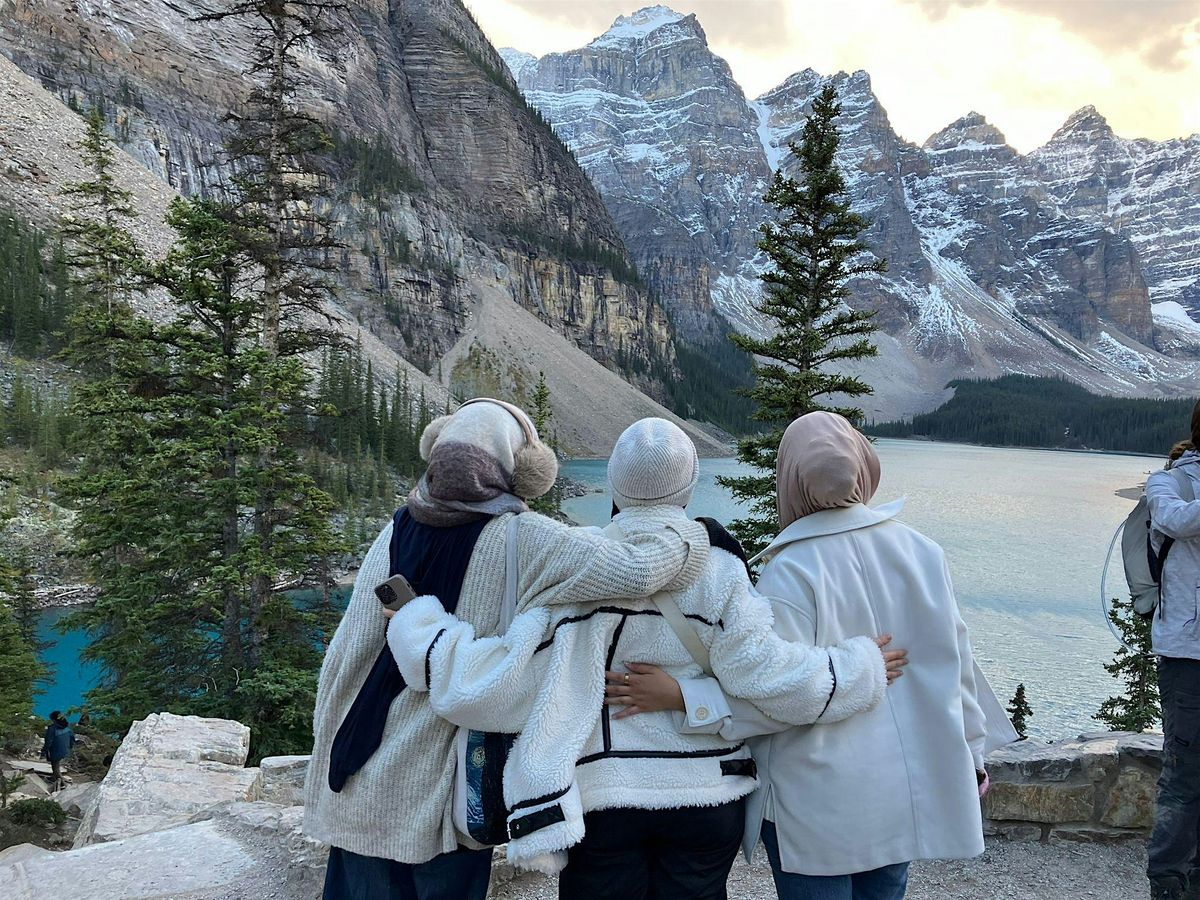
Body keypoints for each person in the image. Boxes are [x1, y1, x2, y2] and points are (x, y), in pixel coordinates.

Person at [388, 417, 906, 899]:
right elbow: (769, 675)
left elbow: (494, 683)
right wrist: (857, 669)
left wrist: (417, 623)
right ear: (688, 485)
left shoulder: (579, 566)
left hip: (604, 798)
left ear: (615, 484)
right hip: (707, 795)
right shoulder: (721, 569)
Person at [302, 399, 714, 900]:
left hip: (355, 770)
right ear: (521, 470)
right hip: (438, 787)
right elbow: (641, 568)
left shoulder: (395, 528)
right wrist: (694, 532)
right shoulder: (523, 537)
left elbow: (347, 655)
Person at [613, 411, 1011, 900]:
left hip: (816, 803)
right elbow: (957, 669)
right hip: (897, 799)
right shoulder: (922, 552)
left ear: (791, 481)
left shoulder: (790, 571)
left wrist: (684, 698)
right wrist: (972, 754)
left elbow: (776, 695)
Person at [1146, 399, 1200, 900]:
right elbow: (1176, 521)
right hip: (1189, 652)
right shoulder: (1170, 483)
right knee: (1184, 773)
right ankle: (1167, 880)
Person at [41, 711, 75, 790]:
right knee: (57, 764)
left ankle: (61, 781)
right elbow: (72, 739)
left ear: (54, 720)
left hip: (56, 751)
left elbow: (48, 742)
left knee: (55, 766)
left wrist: (44, 751)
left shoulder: (52, 729)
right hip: (65, 750)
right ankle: (55, 776)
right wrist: (70, 747)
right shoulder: (67, 727)